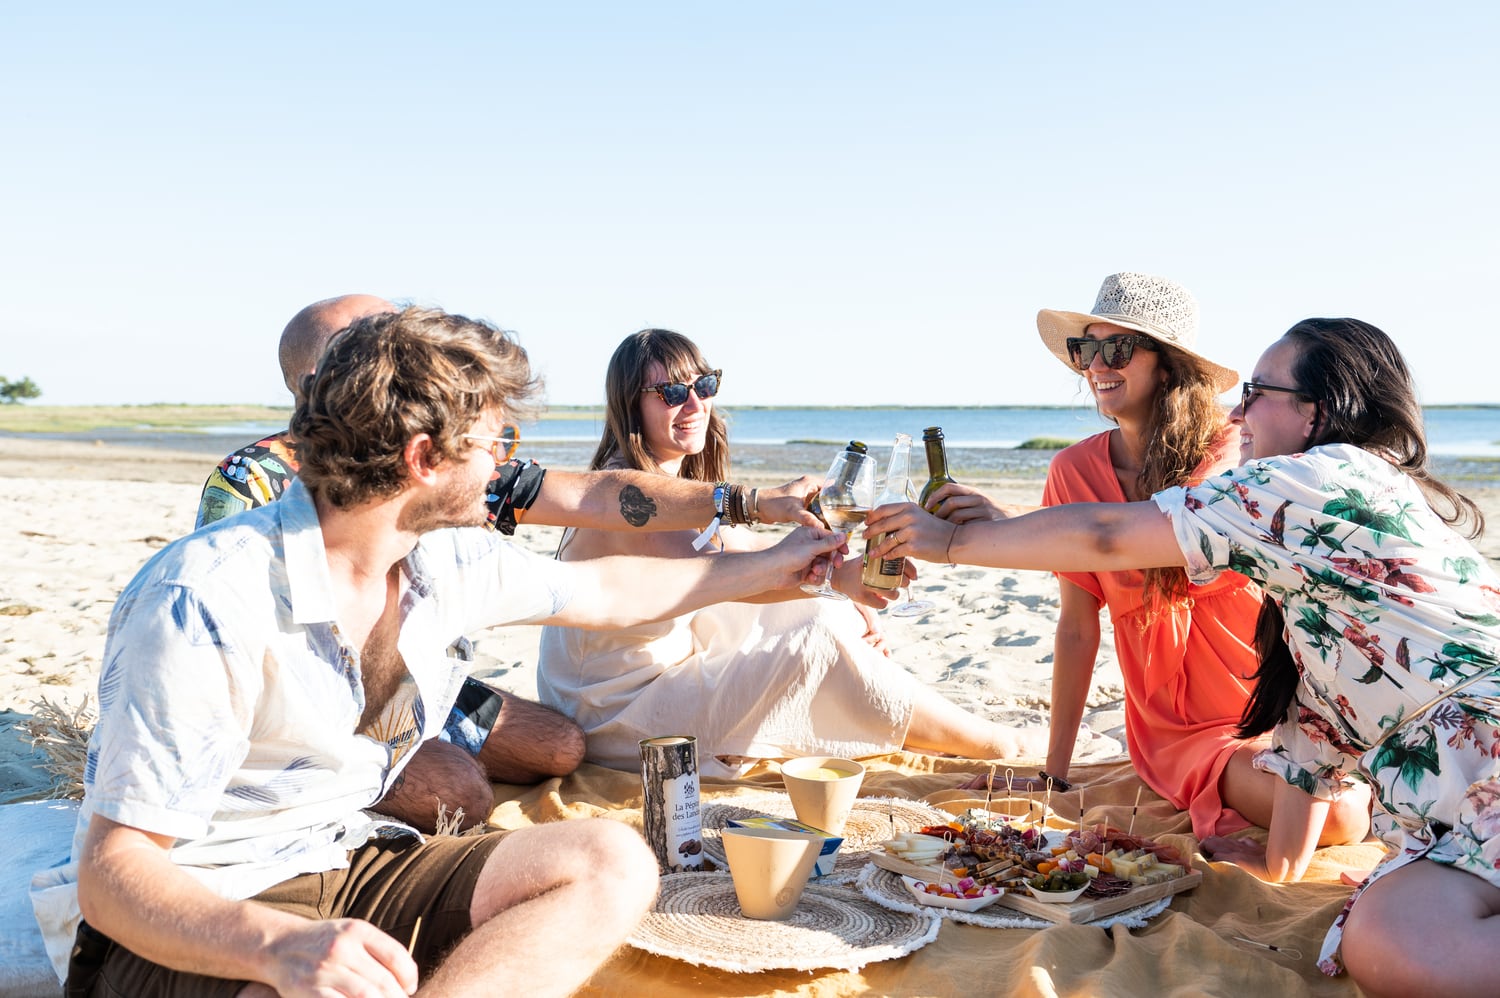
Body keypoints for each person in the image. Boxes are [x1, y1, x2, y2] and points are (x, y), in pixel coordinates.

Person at [31, 306, 845, 996]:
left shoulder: (444, 556)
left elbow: (612, 595)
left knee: (610, 860)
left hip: (348, 857)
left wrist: (781, 563)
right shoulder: (206, 596)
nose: (507, 463)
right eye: (497, 441)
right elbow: (114, 875)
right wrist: (277, 947)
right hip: (205, 909)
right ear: (424, 459)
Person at [866, 317, 1499, 995]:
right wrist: (1280, 868)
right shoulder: (1307, 563)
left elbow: (1111, 535)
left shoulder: (1316, 479)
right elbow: (1313, 743)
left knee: (1392, 946)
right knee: (1389, 931)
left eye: (1258, 392)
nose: (1238, 410)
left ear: (1317, 410)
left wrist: (953, 544)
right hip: (1457, 809)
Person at [195, 295, 821, 832]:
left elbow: (598, 505)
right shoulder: (253, 489)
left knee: (560, 747)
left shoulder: (450, 468)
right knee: (460, 792)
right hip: (314, 706)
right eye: (385, 347)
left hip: (425, 682)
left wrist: (753, 509)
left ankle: (423, 748)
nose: (414, 355)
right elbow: (242, 652)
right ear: (324, 379)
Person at [936, 273, 1369, 843]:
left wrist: (1010, 528)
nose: (1096, 365)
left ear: (1168, 364)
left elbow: (1142, 542)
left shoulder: (1235, 450)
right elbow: (1075, 627)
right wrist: (1054, 776)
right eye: (1084, 349)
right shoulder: (1072, 472)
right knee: (1339, 817)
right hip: (1186, 731)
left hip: (1280, 708)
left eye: (1116, 347)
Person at [536, 328, 1048, 779]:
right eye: (672, 393)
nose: (694, 406)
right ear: (632, 404)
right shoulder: (627, 491)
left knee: (818, 608)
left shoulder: (672, 480)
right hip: (611, 710)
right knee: (816, 636)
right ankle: (994, 743)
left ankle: (897, 705)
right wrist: (835, 582)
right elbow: (719, 574)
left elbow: (738, 548)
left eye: (704, 386)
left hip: (654, 665)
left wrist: (845, 585)